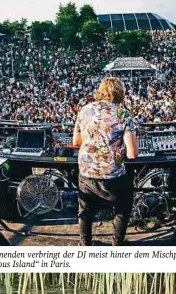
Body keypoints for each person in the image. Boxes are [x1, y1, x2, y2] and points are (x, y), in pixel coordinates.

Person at [73, 77, 139, 246]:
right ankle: (116, 244)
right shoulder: (123, 114)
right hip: (112, 176)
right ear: (120, 93)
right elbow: (132, 154)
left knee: (85, 211)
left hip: (86, 174)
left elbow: (76, 143)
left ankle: (85, 244)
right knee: (123, 208)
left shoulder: (84, 110)